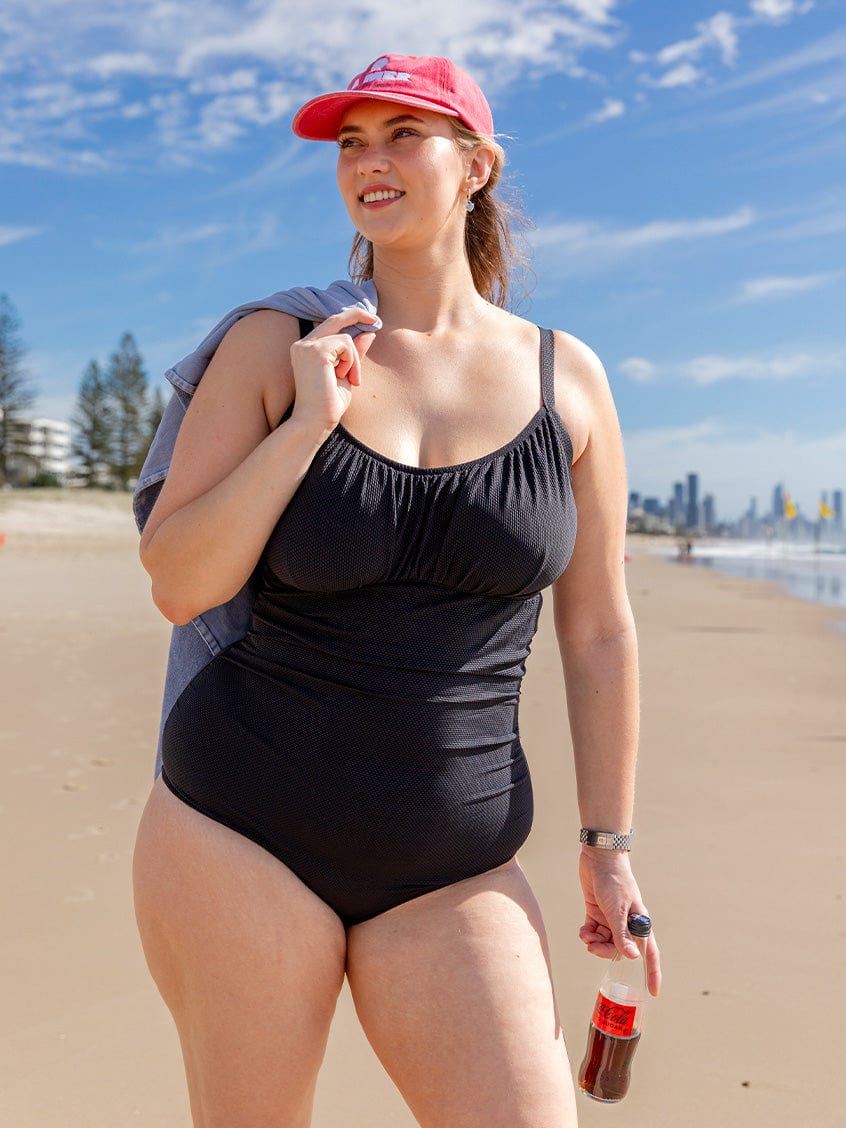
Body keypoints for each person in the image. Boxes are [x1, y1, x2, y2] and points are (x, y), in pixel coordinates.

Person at [132, 53, 662, 1128]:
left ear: (476, 167)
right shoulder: (275, 345)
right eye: (350, 143)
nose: (370, 162)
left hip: (453, 861)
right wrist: (309, 430)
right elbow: (181, 583)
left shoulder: (570, 378)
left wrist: (608, 850)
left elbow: (599, 628)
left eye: (401, 135)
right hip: (241, 829)